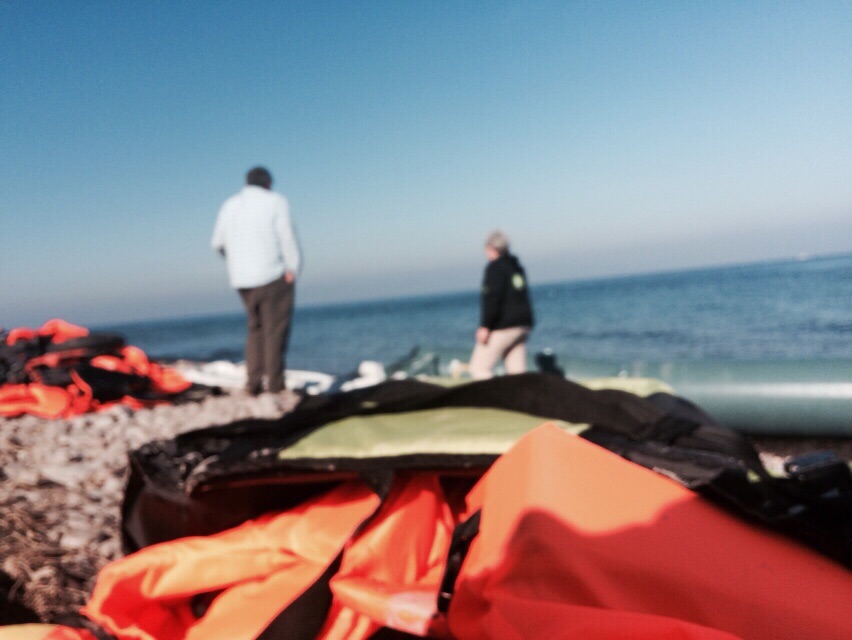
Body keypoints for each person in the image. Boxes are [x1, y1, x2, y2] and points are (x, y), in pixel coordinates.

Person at [212, 167, 301, 395]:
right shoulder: (274, 201)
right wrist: (292, 267)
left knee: (255, 329)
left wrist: (236, 264)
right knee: (275, 330)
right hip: (272, 275)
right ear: (267, 183)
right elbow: (286, 235)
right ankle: (275, 386)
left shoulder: (230, 205)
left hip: (242, 281)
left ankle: (252, 384)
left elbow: (217, 242)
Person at [468, 231, 534, 379]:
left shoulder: (495, 268)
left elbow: (493, 299)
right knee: (517, 373)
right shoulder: (516, 267)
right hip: (523, 324)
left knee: (478, 368)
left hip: (504, 326)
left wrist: (485, 326)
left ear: (492, 248)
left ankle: (490, 400)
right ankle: (520, 400)